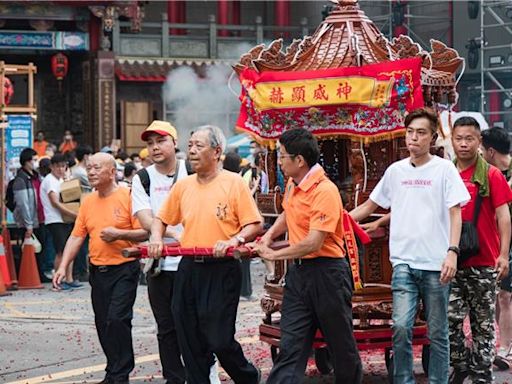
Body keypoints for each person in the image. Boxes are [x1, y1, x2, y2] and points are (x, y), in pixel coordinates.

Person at [350, 108, 470, 383]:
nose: (413, 138)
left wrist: (452, 252)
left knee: (437, 332)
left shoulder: (444, 170)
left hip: (436, 263)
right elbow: (371, 205)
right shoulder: (396, 171)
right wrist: (339, 219)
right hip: (403, 262)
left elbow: (455, 213)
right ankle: (404, 380)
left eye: (421, 133)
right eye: (410, 132)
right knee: (401, 327)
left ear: (433, 137)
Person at [148, 125, 262, 384]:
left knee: (219, 340)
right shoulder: (183, 186)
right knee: (189, 338)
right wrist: (156, 238)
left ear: (217, 151)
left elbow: (254, 224)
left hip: (222, 269)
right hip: (188, 268)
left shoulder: (233, 183)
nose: (192, 151)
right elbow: (161, 218)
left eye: (199, 146)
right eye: (190, 146)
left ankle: (248, 377)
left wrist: (235, 239)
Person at [250, 128, 362, 383]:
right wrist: (268, 236)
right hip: (300, 275)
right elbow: (288, 213)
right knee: (290, 345)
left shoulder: (325, 191)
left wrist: (275, 254)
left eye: (282, 156)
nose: (279, 161)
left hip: (328, 274)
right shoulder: (293, 184)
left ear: (299, 160)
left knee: (341, 346)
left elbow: (314, 242)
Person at [52, 152, 148, 384]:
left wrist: (120, 234)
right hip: (98, 271)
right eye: (89, 168)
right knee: (103, 323)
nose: (91, 172)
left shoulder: (128, 196)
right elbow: (76, 236)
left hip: (124, 269)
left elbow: (145, 231)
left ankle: (121, 373)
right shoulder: (88, 201)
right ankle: (112, 370)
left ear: (112, 172)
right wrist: (63, 267)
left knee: (117, 319)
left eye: (96, 168)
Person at [131, 121, 203, 384]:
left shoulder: (192, 171)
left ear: (175, 143)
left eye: (160, 141)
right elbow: (143, 216)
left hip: (193, 261)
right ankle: (174, 378)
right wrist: (169, 232)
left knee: (195, 324)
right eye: (150, 144)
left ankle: (201, 375)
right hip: (160, 266)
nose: (155, 148)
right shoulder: (143, 177)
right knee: (166, 327)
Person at [449, 117, 512, 383]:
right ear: (452, 140)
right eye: (459, 138)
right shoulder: (445, 172)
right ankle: (461, 363)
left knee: (482, 324)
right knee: (449, 320)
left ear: (479, 143)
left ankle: (481, 373)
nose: (463, 144)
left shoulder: (491, 174)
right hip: (451, 260)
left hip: (484, 260)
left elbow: (504, 217)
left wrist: (502, 254)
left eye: (469, 139)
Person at [480, 126, 512, 369]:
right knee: (495, 296)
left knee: (505, 296)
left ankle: (505, 347)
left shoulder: (505, 173)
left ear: (490, 151)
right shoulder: (489, 172)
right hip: (494, 242)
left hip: (508, 243)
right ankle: (499, 345)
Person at [40, 153, 80, 290]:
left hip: (65, 219)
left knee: (70, 249)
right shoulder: (50, 180)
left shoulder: (60, 180)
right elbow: (55, 202)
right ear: (51, 167)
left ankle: (69, 279)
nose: (61, 169)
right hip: (55, 219)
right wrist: (74, 214)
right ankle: (58, 281)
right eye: (58, 167)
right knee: (61, 251)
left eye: (63, 166)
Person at [12, 148, 49, 282]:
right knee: (31, 249)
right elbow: (23, 204)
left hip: (40, 218)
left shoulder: (36, 176)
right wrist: (28, 224)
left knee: (41, 247)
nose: (35, 163)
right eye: (33, 160)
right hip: (30, 221)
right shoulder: (21, 180)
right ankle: (31, 275)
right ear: (26, 162)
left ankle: (39, 273)